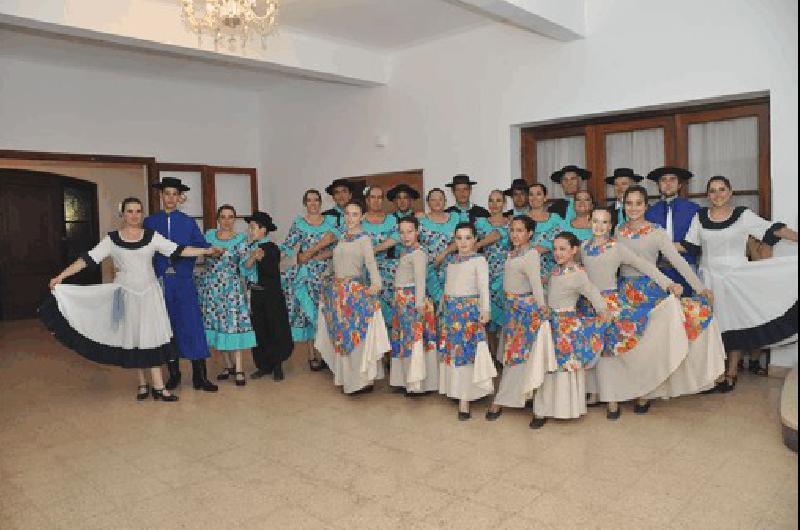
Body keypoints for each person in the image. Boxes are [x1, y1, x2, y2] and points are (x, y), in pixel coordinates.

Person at [40, 197, 222, 402]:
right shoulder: (112, 240)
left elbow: (179, 250)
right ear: (123, 214)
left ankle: (159, 387)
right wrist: (61, 276)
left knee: (151, 338)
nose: (134, 215)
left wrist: (206, 250)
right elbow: (88, 259)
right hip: (126, 295)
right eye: (130, 211)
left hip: (150, 294)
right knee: (134, 338)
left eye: (138, 211)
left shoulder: (152, 236)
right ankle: (143, 384)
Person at [580, 208, 714, 420]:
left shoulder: (617, 247)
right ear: (589, 222)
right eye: (595, 221)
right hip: (589, 305)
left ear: (610, 225)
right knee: (601, 353)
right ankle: (610, 398)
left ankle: (632, 393)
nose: (600, 226)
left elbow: (643, 265)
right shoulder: (583, 247)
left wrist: (669, 283)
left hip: (611, 304)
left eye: (605, 222)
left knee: (615, 353)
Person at [684, 176, 798, 392]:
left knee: (734, 323)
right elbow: (689, 246)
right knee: (713, 326)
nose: (717, 194)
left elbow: (773, 230)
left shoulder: (742, 215)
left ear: (730, 192)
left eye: (722, 189)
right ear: (708, 195)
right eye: (713, 191)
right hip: (707, 279)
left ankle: (732, 372)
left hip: (736, 277)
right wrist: (654, 243)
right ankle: (713, 373)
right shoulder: (699, 217)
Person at [616, 185, 724, 407]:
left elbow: (678, 261)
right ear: (624, 205)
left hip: (651, 291)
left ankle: (645, 392)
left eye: (638, 203)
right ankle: (630, 387)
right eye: (629, 203)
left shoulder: (656, 232)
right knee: (630, 344)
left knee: (650, 344)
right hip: (624, 292)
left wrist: (700, 288)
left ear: (646, 206)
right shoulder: (618, 231)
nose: (633, 208)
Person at [143, 177, 217, 392]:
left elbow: (202, 245)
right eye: (167, 194)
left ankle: (200, 376)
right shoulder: (150, 222)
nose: (171, 198)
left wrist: (214, 250)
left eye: (175, 194)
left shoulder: (188, 222)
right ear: (161, 195)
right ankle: (174, 374)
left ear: (180, 197)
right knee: (167, 327)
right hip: (160, 282)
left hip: (184, 281)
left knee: (192, 326)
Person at [531, 232, 609, 429]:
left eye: (563, 249)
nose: (558, 253)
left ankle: (564, 409)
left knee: (564, 368)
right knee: (548, 366)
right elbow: (546, 285)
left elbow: (591, 291)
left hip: (566, 326)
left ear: (574, 250)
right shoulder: (555, 271)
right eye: (555, 249)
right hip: (550, 324)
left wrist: (602, 309)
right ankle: (542, 409)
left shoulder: (578, 273)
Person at [315, 201, 390, 394]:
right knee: (342, 337)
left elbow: (371, 263)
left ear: (361, 217)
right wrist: (326, 277)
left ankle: (361, 381)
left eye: (355, 214)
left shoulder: (364, 238)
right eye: (347, 214)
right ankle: (348, 379)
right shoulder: (342, 237)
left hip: (354, 293)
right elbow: (337, 261)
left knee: (357, 336)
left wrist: (376, 285)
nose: (350, 218)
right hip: (338, 294)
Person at [486, 216, 553, 420]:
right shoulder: (513, 253)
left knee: (519, 357)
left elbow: (535, 284)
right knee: (515, 356)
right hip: (513, 310)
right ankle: (521, 396)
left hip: (526, 312)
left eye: (520, 230)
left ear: (530, 233)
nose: (515, 234)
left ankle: (503, 400)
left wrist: (542, 308)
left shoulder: (531, 254)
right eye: (512, 230)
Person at [437, 223, 497, 420]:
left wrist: (486, 310)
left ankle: (466, 399)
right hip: (451, 313)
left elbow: (483, 287)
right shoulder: (451, 261)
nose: (463, 242)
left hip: (469, 314)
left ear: (474, 240)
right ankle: (457, 390)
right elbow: (448, 286)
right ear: (454, 240)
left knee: (469, 354)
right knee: (454, 354)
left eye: (468, 238)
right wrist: (443, 307)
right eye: (459, 238)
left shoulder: (479, 260)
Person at [279, 189, 339, 371]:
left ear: (321, 202)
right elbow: (288, 247)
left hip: (328, 273)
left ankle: (329, 355)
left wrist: (320, 254)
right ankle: (312, 355)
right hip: (306, 275)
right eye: (309, 201)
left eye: (316, 200)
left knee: (328, 313)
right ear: (305, 203)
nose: (313, 204)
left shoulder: (332, 222)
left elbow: (339, 245)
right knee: (310, 314)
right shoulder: (299, 224)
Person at [197, 205, 257, 386]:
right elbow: (200, 255)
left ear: (235, 219)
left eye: (230, 217)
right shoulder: (208, 236)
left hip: (232, 290)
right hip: (212, 289)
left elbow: (246, 266)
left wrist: (254, 257)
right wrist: (211, 253)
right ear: (218, 219)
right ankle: (227, 365)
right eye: (223, 216)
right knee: (217, 327)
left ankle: (239, 368)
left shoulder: (241, 239)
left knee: (233, 327)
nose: (226, 220)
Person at [242, 211, 294, 382]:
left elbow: (272, 272)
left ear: (263, 230)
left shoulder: (272, 248)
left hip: (271, 294)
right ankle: (263, 366)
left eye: (253, 227)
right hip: (255, 294)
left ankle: (277, 365)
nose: (250, 231)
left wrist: (262, 259)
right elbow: (244, 269)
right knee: (259, 329)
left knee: (274, 329)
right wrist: (253, 257)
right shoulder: (249, 248)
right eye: (249, 228)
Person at [389, 216, 438, 395]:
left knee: (415, 341)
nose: (405, 236)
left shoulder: (418, 253)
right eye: (402, 232)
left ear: (417, 232)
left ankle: (417, 384)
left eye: (409, 231)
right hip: (402, 302)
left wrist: (419, 306)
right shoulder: (406, 252)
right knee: (406, 340)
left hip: (413, 302)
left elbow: (420, 281)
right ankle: (406, 379)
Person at [644, 166, 701, 295]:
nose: (668, 183)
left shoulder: (694, 210)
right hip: (660, 271)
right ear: (658, 184)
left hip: (687, 269)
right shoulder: (650, 213)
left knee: (688, 310)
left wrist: (663, 247)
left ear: (679, 184)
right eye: (663, 180)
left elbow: (695, 245)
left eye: (672, 179)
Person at [361, 186, 399, 324]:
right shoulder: (359, 220)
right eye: (373, 197)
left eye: (379, 197)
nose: (376, 201)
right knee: (370, 308)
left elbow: (397, 237)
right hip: (365, 270)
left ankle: (391, 342)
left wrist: (375, 250)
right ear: (367, 200)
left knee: (390, 306)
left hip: (388, 270)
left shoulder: (392, 220)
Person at [417, 188, 461, 306]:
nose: (437, 202)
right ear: (428, 202)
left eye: (440, 199)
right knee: (430, 308)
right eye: (433, 200)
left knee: (450, 305)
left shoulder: (455, 217)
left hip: (451, 269)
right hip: (427, 271)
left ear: (445, 201)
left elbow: (463, 239)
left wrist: (445, 253)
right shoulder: (420, 220)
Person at [527, 183, 567, 284]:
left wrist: (545, 247)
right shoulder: (520, 220)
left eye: (538, 194)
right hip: (527, 271)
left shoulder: (555, 219)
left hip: (553, 272)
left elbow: (563, 242)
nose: (534, 198)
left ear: (545, 198)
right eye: (531, 194)